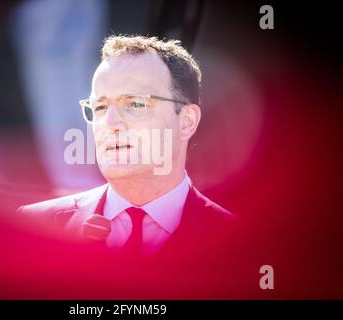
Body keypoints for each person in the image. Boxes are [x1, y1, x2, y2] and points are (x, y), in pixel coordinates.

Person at [18, 35, 235, 256]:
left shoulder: (239, 244)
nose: (110, 124)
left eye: (135, 104)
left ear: (186, 121)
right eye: (100, 107)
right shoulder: (31, 228)